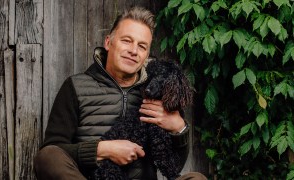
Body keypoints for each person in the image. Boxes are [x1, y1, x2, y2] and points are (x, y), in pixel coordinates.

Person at [34, 6, 205, 180]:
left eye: (142, 46)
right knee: (48, 157)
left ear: (146, 55)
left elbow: (174, 166)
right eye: (127, 40)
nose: (133, 51)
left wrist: (179, 128)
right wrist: (103, 149)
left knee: (196, 178)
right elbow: (52, 152)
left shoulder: (157, 93)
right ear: (108, 42)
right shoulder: (76, 86)